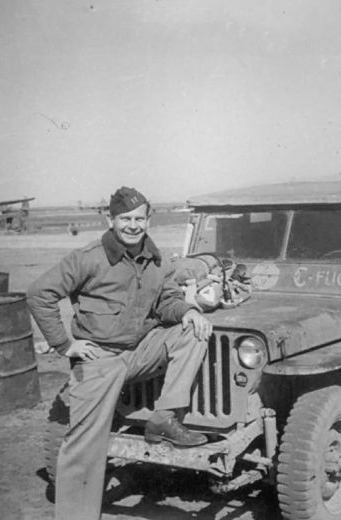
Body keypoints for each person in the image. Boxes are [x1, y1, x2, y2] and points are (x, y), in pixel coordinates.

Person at [27, 186, 212, 520]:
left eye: (139, 219)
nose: (133, 225)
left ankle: (164, 417)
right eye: (125, 218)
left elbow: (167, 300)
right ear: (109, 219)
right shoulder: (89, 257)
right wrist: (65, 345)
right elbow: (40, 293)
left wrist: (187, 311)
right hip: (100, 358)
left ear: (148, 220)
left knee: (193, 331)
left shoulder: (155, 259)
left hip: (140, 351)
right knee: (85, 445)